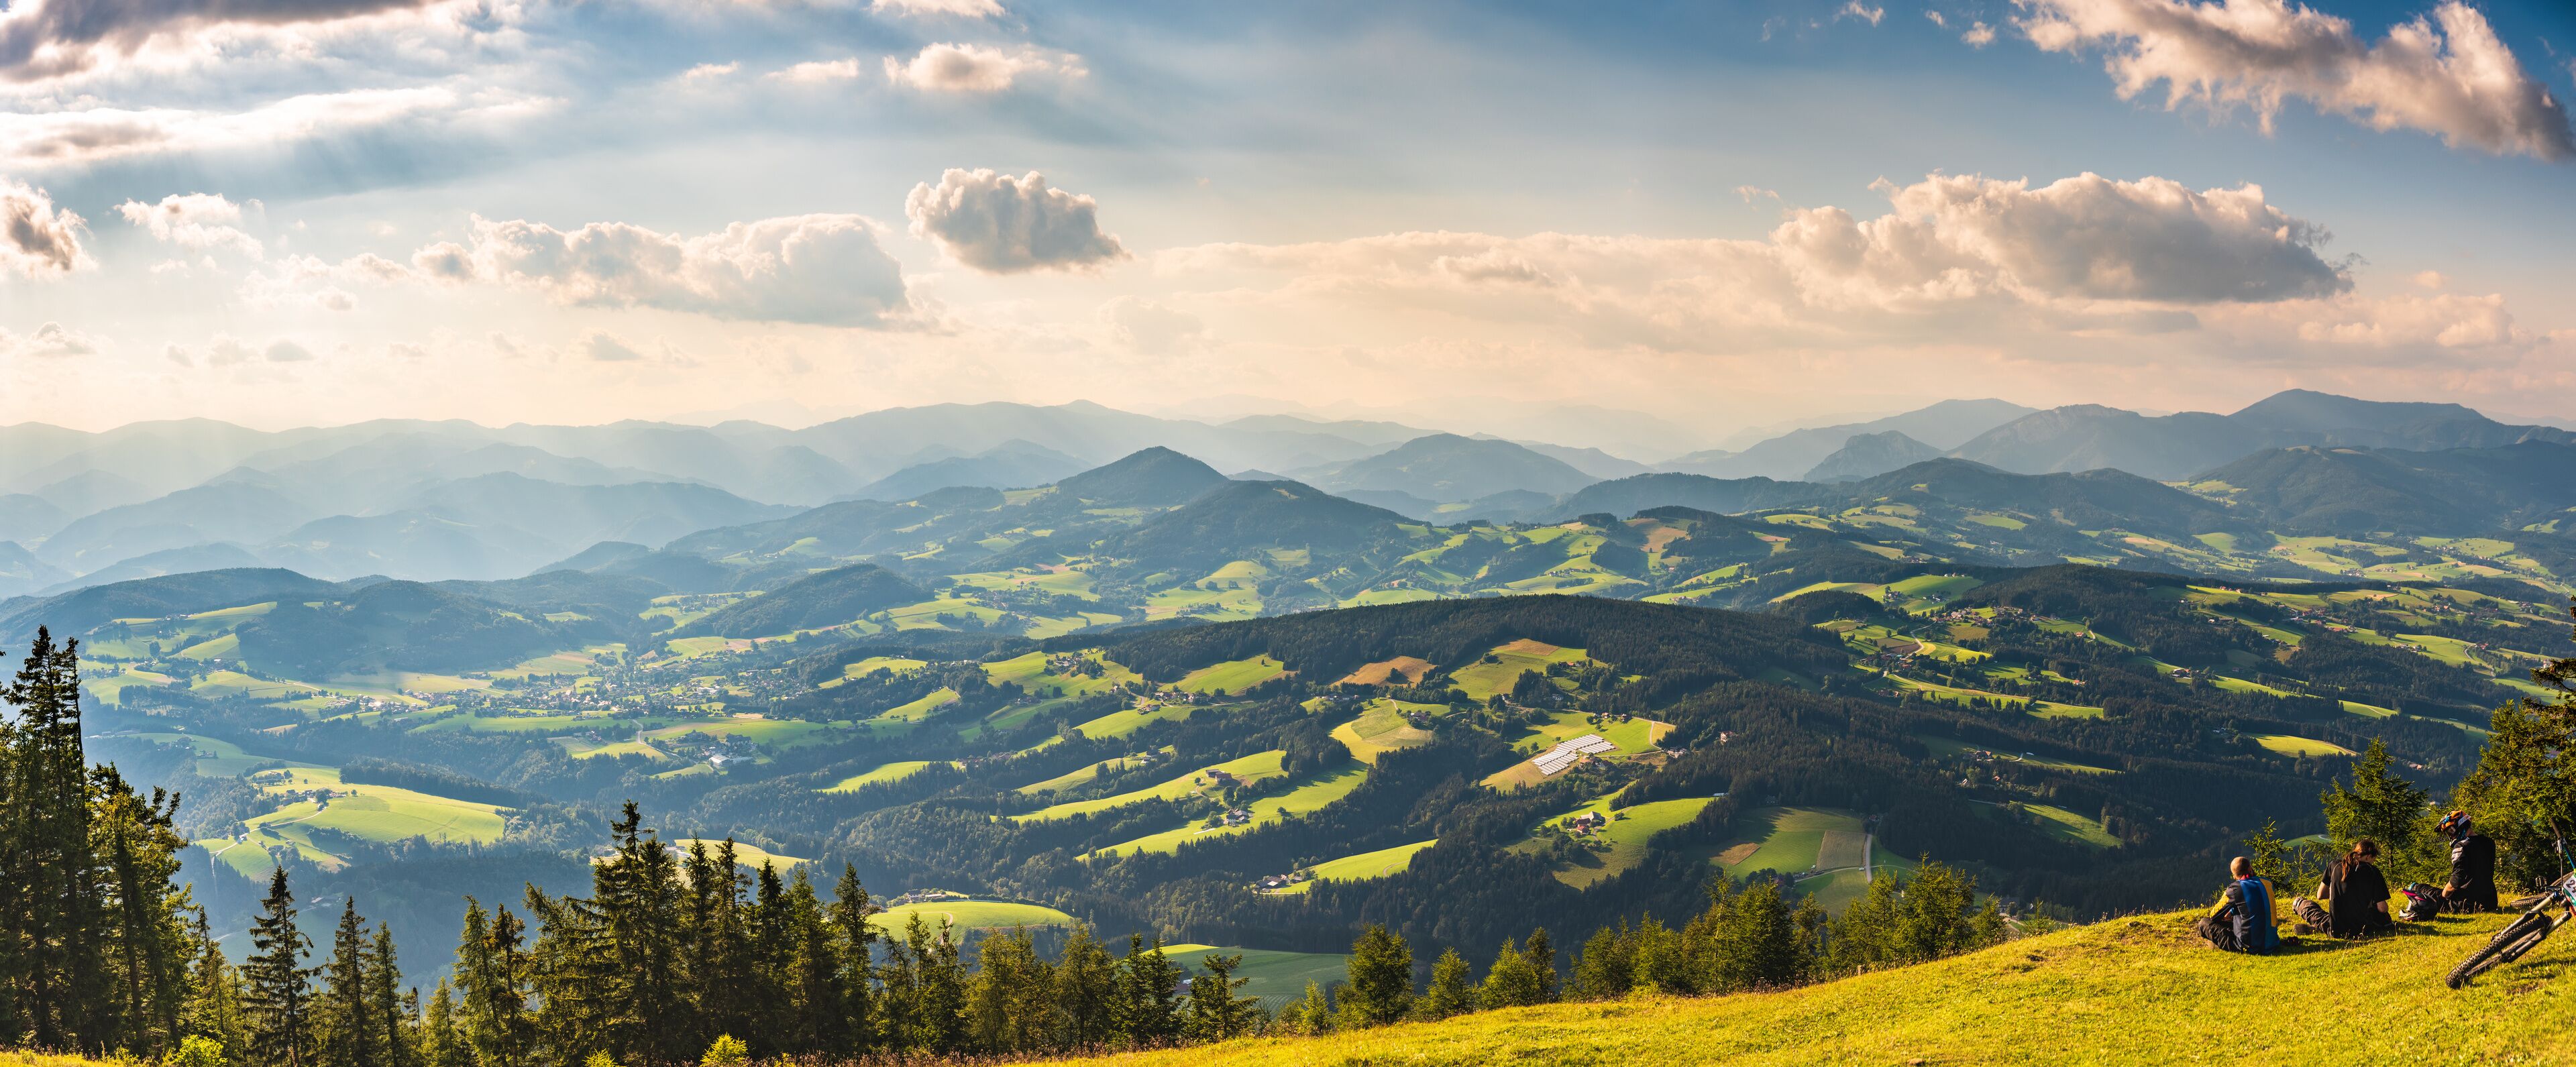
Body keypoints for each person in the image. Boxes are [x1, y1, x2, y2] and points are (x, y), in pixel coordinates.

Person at [2313, 838, 2395, 937]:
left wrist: (2340, 893)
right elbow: (2382, 908)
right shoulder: (2373, 872)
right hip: (2361, 929)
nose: (2372, 864)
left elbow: (2320, 895)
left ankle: (2299, 903)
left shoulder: (2335, 866)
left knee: (2312, 909)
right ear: (2369, 857)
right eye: (2373, 861)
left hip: (2336, 928)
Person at [2197, 856, 2280, 953]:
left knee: (2204, 923)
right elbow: (2255, 901)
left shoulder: (2235, 889)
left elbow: (2214, 915)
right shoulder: (2267, 883)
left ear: (2234, 875)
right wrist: (2233, 912)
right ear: (2250, 868)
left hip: (2248, 947)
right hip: (2273, 943)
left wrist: (2229, 912)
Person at [2438, 811, 2498, 913]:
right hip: (2490, 902)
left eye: (2451, 831)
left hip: (2467, 904)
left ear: (2461, 825)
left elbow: (2456, 881)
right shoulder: (2489, 842)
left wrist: (2443, 897)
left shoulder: (2461, 846)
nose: (2451, 836)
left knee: (2423, 889)